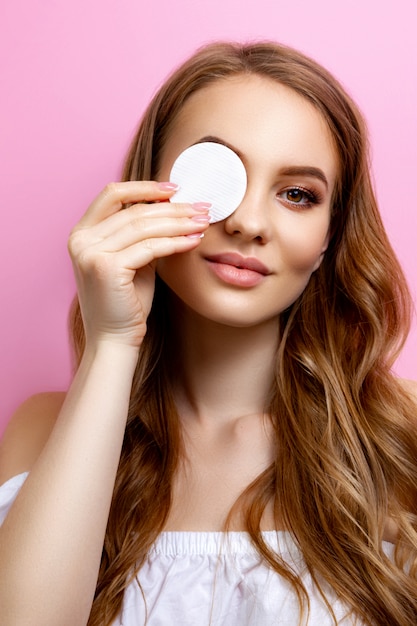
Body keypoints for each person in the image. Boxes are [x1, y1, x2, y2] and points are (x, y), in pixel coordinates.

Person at [0, 41, 416, 626]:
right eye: (217, 174)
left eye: (298, 195)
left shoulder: (398, 435)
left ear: (328, 239)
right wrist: (113, 344)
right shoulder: (42, 431)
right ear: (145, 193)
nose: (247, 222)